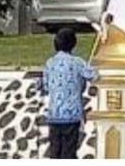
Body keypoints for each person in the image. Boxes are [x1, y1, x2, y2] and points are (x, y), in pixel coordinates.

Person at [39, 28, 99, 159]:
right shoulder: (77, 62)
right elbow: (94, 76)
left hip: (54, 114)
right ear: (73, 43)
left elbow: (46, 86)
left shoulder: (50, 63)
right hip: (72, 114)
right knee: (69, 152)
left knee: (55, 151)